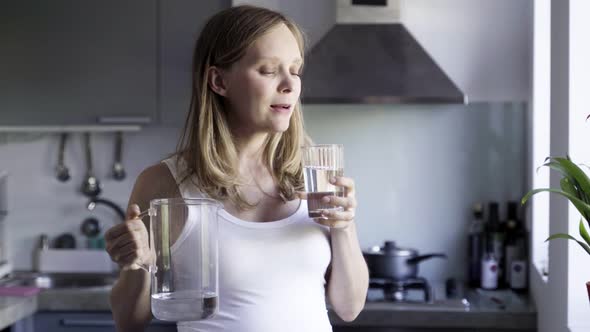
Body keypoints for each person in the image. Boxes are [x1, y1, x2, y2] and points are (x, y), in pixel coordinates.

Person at [105, 5, 369, 332]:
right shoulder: (167, 182)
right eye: (269, 70)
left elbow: (349, 307)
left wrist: (345, 227)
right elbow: (129, 322)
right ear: (219, 81)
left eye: (295, 69)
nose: (290, 85)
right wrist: (136, 266)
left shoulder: (313, 174)